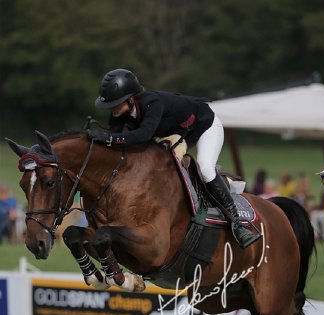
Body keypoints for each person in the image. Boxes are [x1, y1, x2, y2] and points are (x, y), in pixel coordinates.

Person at [89, 69, 260, 248]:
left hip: (205, 127)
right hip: (178, 133)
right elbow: (115, 140)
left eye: (115, 104)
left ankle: (237, 224)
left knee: (205, 169)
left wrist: (110, 138)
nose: (111, 108)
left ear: (131, 99)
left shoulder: (152, 103)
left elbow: (143, 135)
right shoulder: (120, 112)